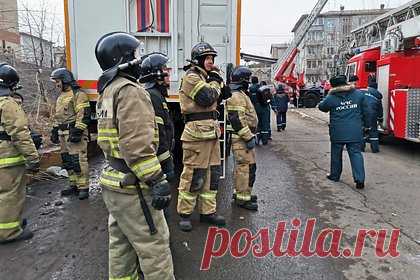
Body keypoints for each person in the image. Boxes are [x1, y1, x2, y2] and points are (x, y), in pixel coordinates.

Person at [95, 32, 174, 280]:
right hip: (134, 187)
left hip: (114, 182)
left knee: (121, 245)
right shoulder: (130, 91)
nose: (140, 60)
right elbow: (136, 146)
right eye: (136, 54)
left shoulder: (107, 91)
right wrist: (156, 180)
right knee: (154, 246)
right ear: (124, 58)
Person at [177, 42, 229, 232]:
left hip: (211, 132)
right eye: (207, 58)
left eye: (212, 59)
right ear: (198, 60)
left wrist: (217, 79)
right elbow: (208, 97)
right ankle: (185, 214)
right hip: (196, 134)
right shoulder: (191, 77)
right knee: (193, 175)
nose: (211, 62)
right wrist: (215, 80)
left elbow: (225, 94)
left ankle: (208, 212)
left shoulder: (206, 77)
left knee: (212, 175)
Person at [0, 63, 40, 244]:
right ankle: (9, 232)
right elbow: (20, 133)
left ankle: (9, 222)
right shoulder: (7, 104)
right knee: (11, 193)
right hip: (6, 159)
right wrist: (33, 158)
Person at [318, 75, 370, 190]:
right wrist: (366, 126)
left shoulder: (331, 98)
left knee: (336, 154)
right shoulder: (358, 94)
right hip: (355, 130)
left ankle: (335, 175)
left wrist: (328, 97)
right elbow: (366, 111)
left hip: (338, 131)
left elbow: (322, 107)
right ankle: (360, 180)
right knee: (356, 153)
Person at [50, 68, 91, 200]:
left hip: (73, 133)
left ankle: (83, 187)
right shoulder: (61, 96)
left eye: (58, 81)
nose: (56, 84)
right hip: (63, 133)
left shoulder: (78, 94)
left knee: (78, 160)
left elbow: (83, 114)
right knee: (67, 161)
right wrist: (55, 130)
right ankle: (73, 184)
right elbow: (58, 116)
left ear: (65, 80)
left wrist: (78, 131)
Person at [226, 66, 259, 211]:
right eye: (248, 79)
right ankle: (242, 199)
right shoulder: (236, 96)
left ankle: (243, 193)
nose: (249, 82)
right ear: (242, 80)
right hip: (241, 139)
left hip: (244, 138)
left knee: (247, 167)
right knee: (244, 169)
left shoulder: (239, 93)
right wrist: (248, 137)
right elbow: (236, 119)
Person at [139, 53, 175, 182]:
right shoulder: (153, 96)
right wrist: (166, 163)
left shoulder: (157, 94)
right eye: (165, 69)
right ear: (157, 74)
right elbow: (159, 133)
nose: (168, 73)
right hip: (157, 161)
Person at [362, 77, 383, 153]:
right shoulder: (378, 97)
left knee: (362, 130)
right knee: (373, 131)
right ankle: (375, 149)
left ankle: (361, 148)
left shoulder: (362, 92)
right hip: (372, 115)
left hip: (362, 114)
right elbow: (380, 110)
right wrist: (380, 119)